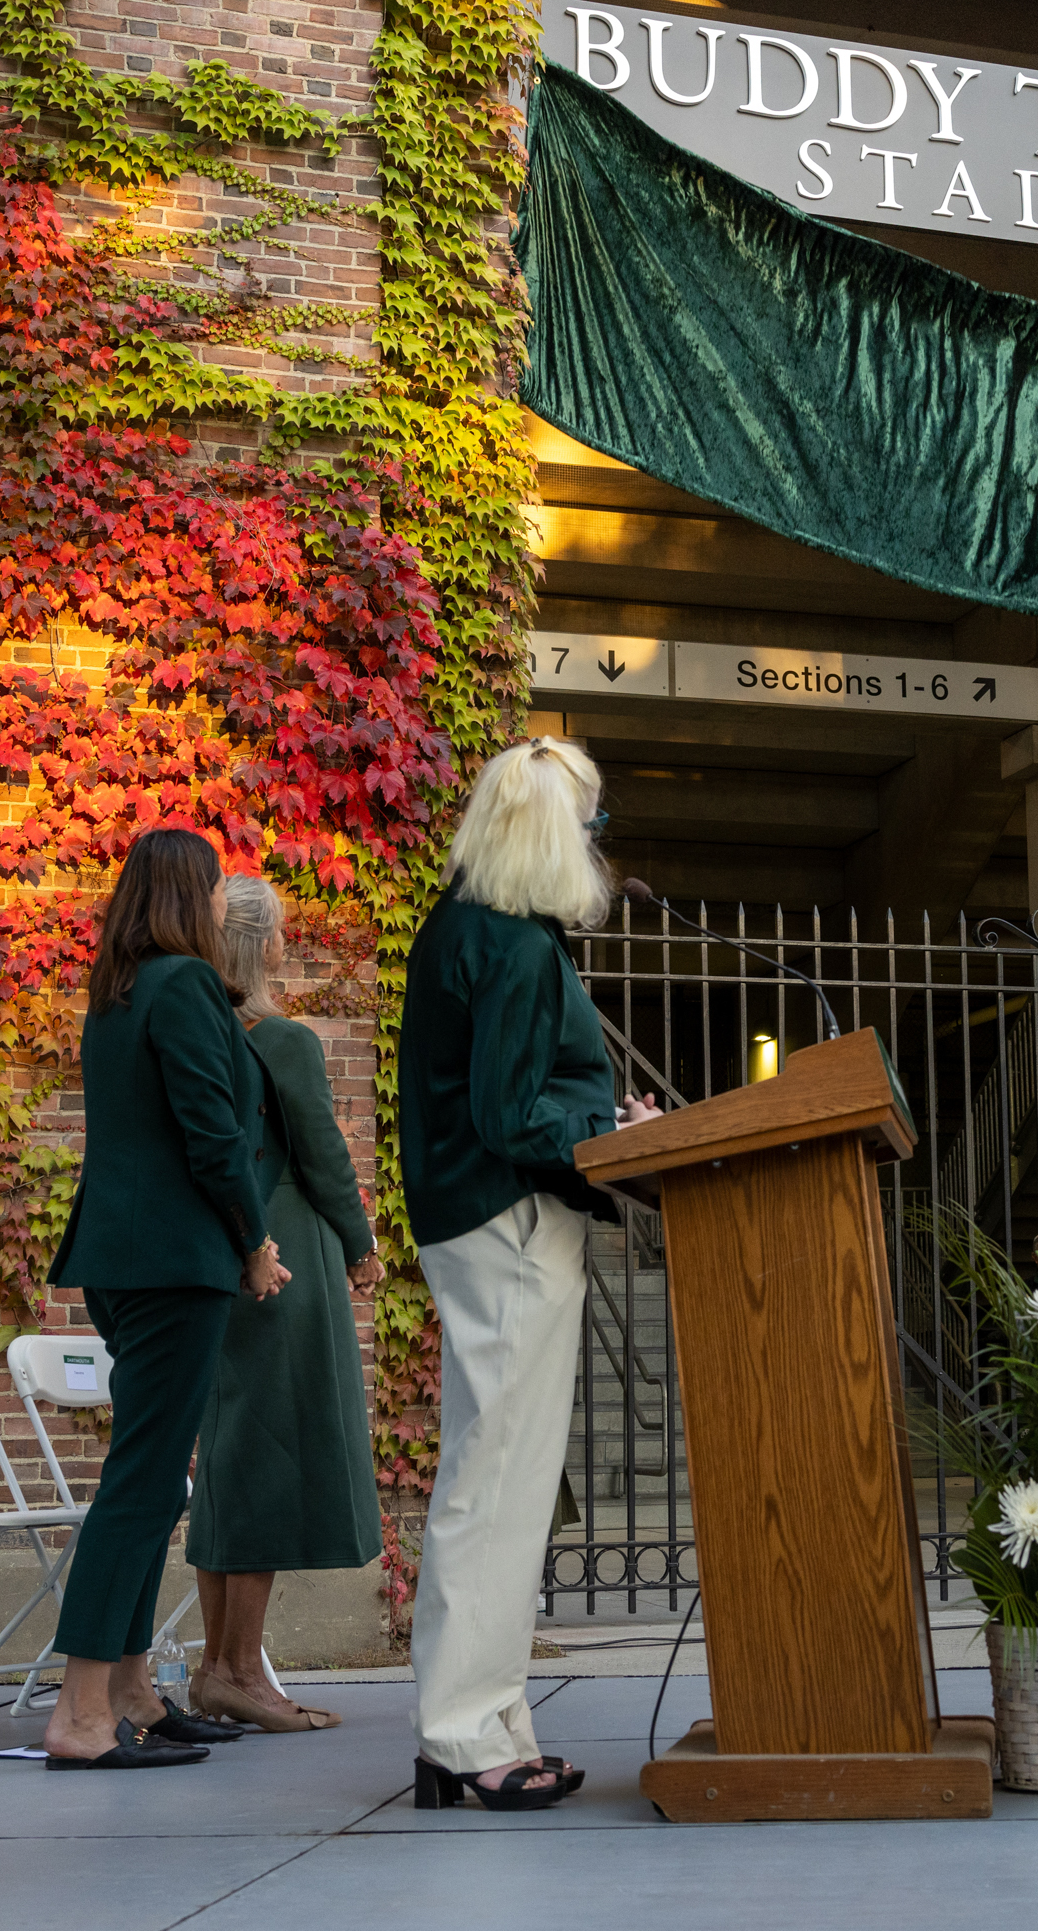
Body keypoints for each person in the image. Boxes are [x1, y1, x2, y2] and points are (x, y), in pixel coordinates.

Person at [401, 736, 655, 1813]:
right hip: (507, 1226)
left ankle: (488, 1718)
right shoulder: (507, 944)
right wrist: (612, 1123)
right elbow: (514, 1114)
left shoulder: (470, 928)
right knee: (496, 1482)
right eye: (592, 825)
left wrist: (599, 1121)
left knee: (495, 1476)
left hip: (482, 1220)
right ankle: (464, 1733)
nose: (600, 847)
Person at [40, 828, 289, 1768]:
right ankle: (82, 1713)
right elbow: (212, 1134)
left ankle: (134, 1690)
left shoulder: (120, 989)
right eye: (219, 884)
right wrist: (254, 1243)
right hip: (172, 1260)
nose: (227, 901)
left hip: (124, 1257)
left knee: (151, 1476)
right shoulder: (183, 985)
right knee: (141, 1483)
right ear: (192, 892)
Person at [185, 876, 385, 1733]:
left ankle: (219, 1665)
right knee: (264, 1454)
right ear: (267, 945)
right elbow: (324, 1152)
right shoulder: (286, 1040)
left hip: (212, 1254)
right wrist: (361, 1240)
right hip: (285, 1254)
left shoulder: (191, 1033)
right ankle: (239, 1673)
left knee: (228, 1455)